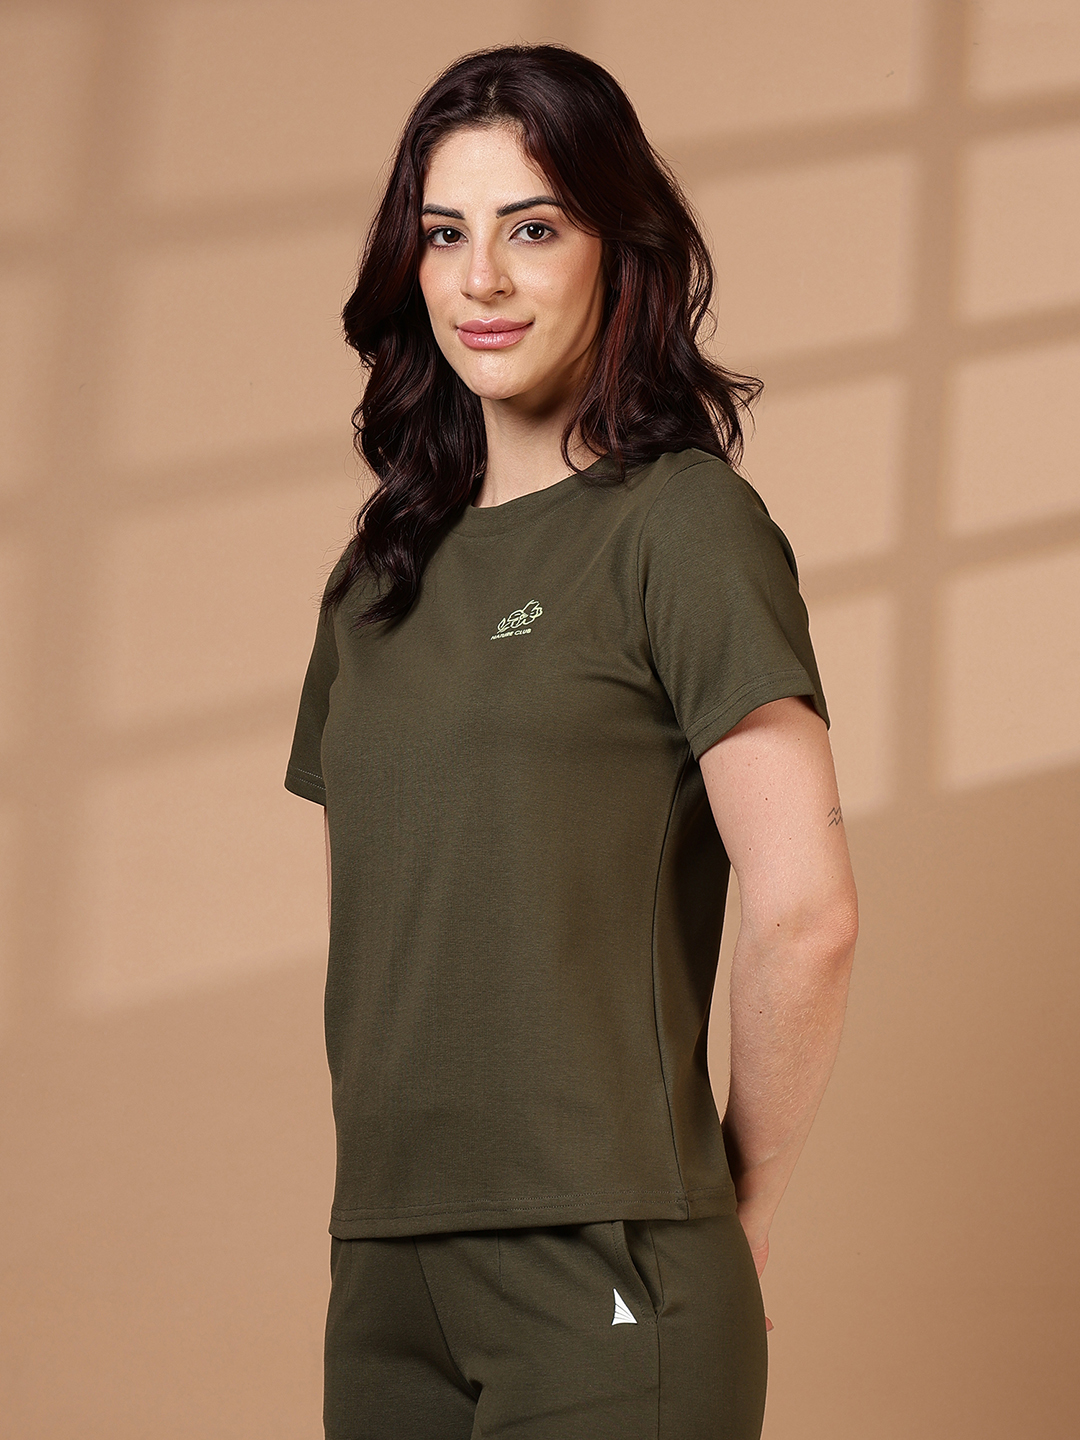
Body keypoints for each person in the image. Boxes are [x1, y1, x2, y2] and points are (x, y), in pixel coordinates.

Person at [285, 42, 857, 1440]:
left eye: (532, 229)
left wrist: (738, 1212)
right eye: (446, 233)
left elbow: (807, 914)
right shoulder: (376, 581)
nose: (480, 278)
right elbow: (402, 916)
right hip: (384, 1263)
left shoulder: (682, 526)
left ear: (619, 249)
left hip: (610, 1251)